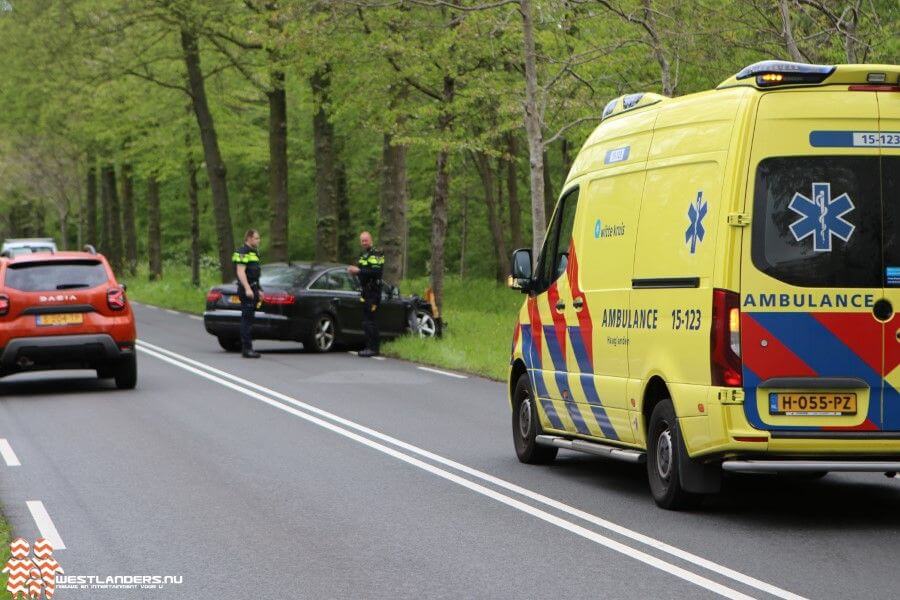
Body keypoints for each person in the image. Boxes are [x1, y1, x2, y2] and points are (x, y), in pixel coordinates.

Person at [348, 231, 384, 357]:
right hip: (366, 292)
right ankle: (369, 346)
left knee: (370, 321)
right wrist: (355, 272)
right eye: (362, 241)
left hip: (373, 292)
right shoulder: (364, 255)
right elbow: (362, 272)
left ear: (371, 240)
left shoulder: (376, 254)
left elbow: (376, 272)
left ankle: (373, 348)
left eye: (366, 240)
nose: (364, 243)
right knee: (366, 321)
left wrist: (358, 271)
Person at [232, 229, 262, 359]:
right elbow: (241, 272)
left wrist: (258, 289)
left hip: (254, 288)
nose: (258, 240)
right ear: (249, 238)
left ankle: (248, 347)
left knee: (249, 319)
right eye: (256, 238)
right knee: (246, 319)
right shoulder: (242, 252)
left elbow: (254, 274)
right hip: (247, 289)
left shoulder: (254, 253)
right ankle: (246, 348)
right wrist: (248, 288)